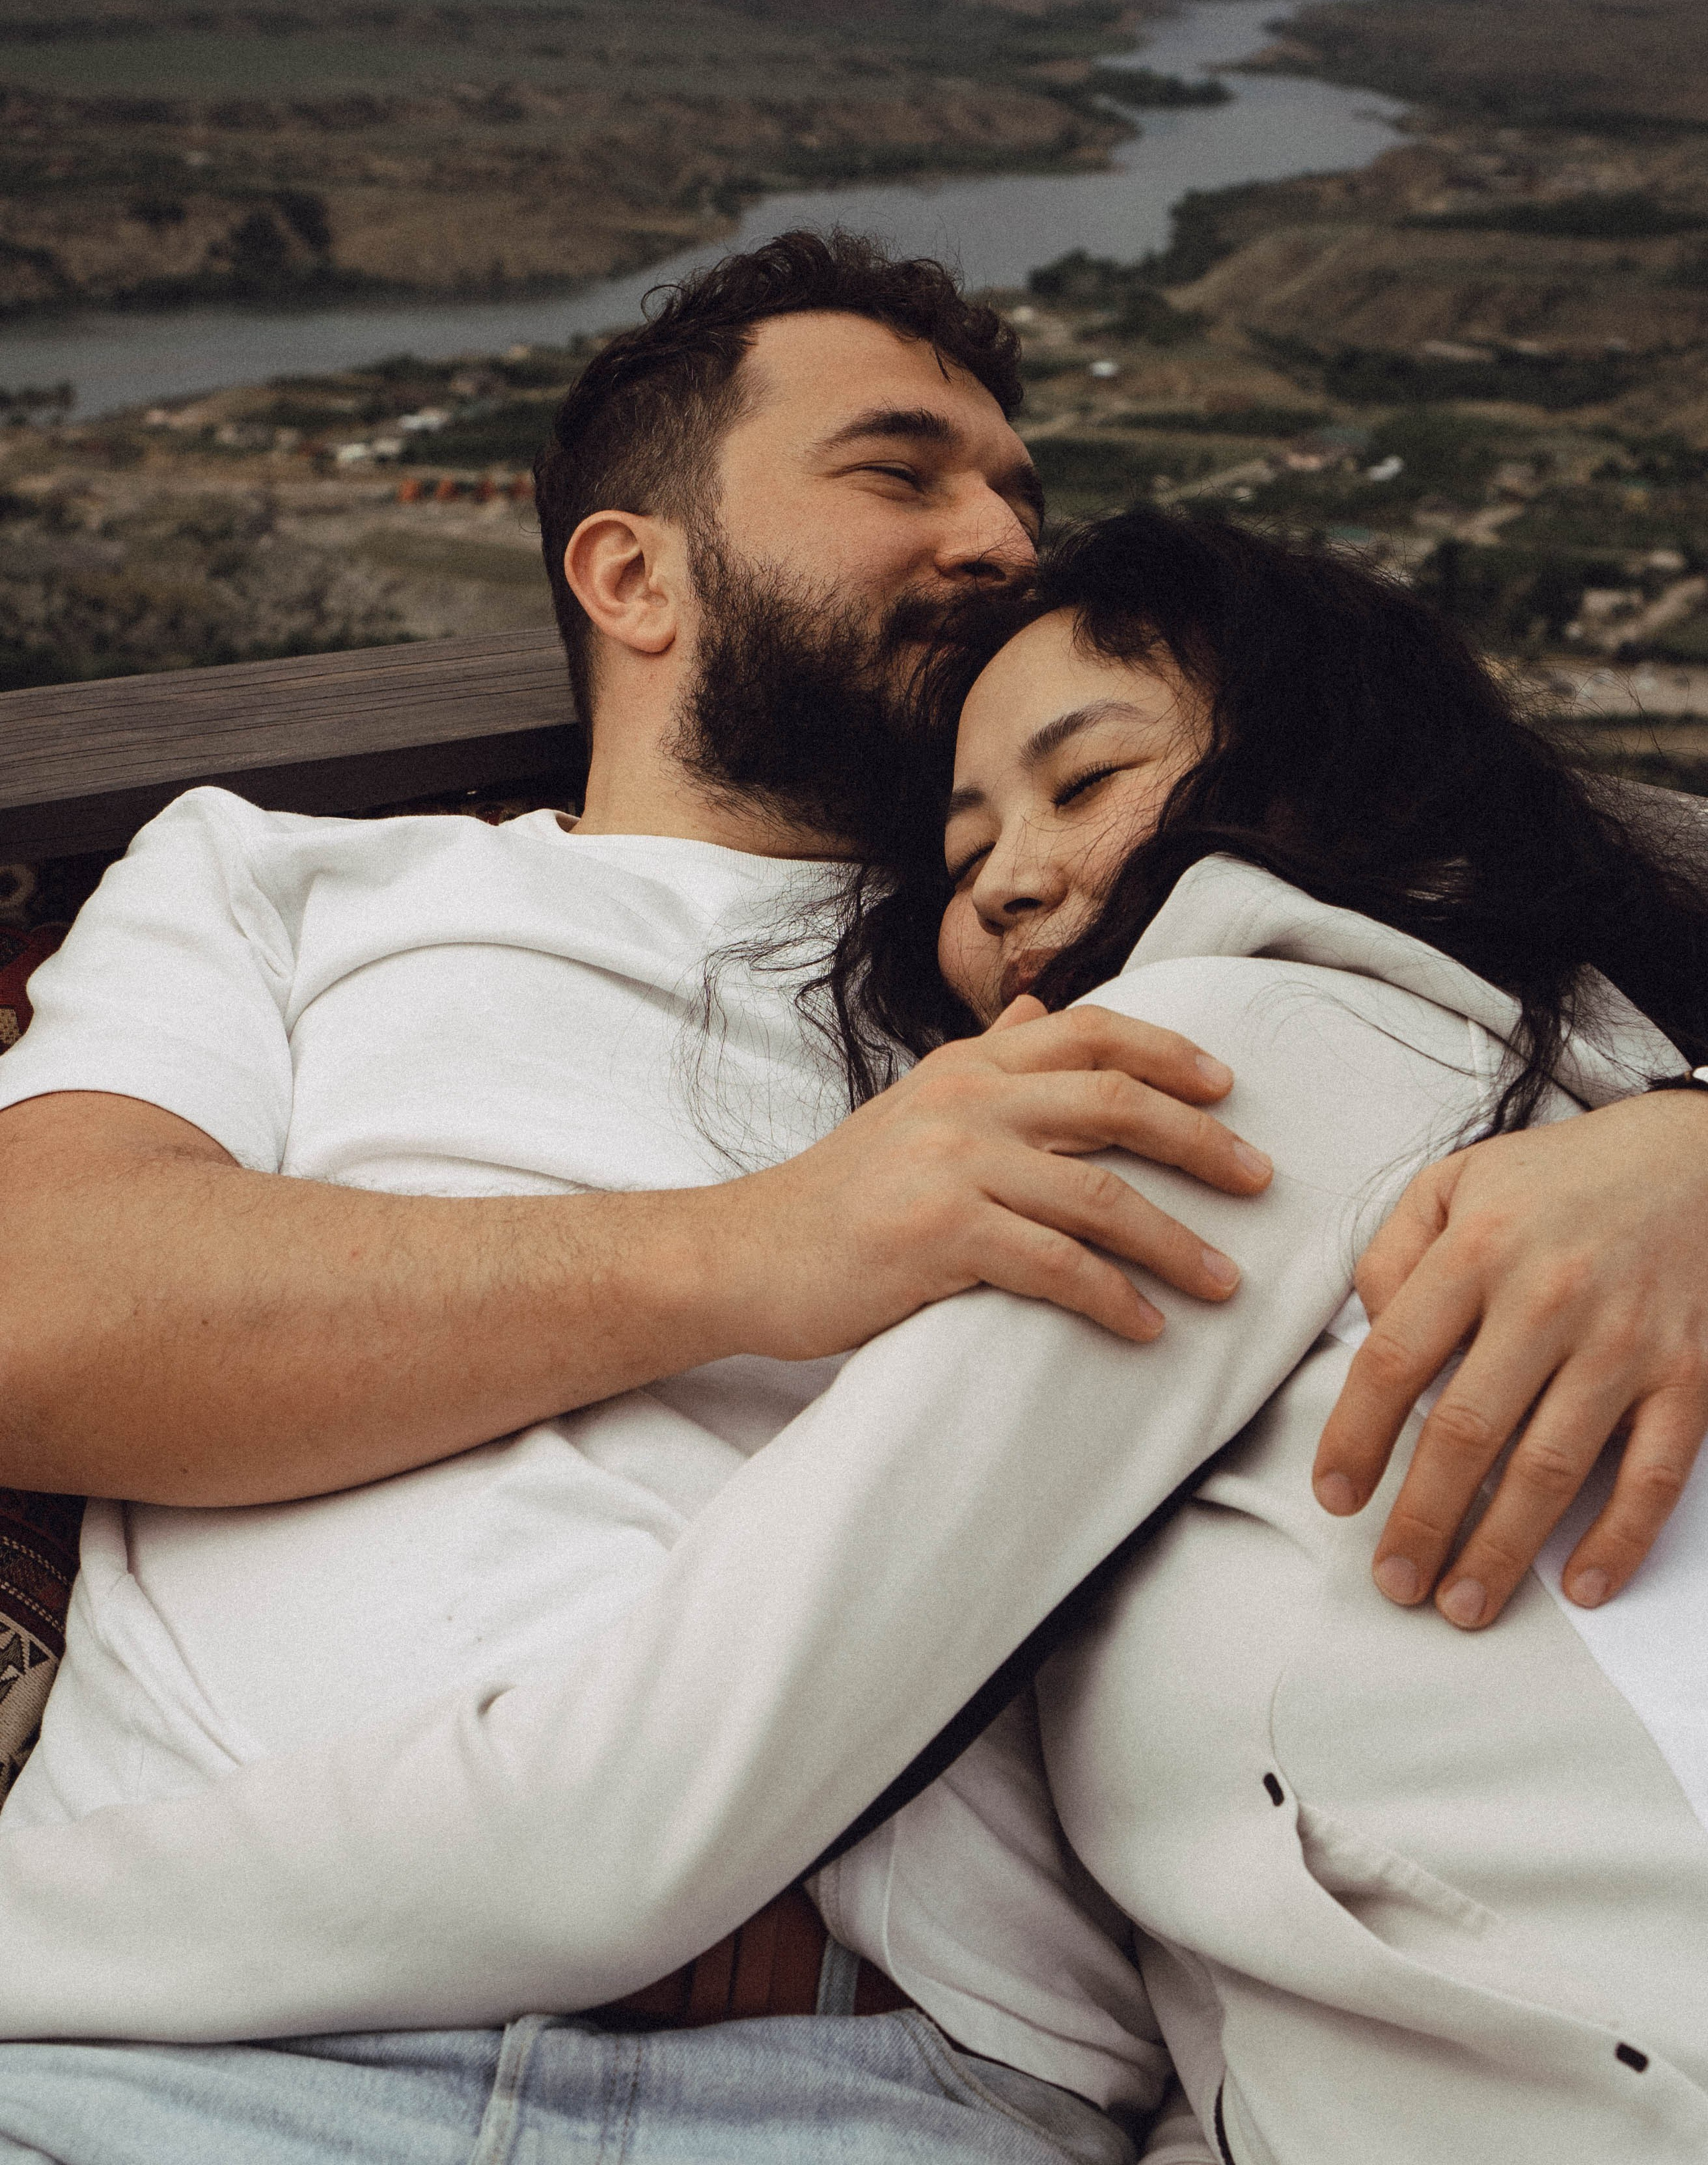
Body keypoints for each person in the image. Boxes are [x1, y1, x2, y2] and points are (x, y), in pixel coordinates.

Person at [0, 237, 1704, 2164]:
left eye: (1020, 495)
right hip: (178, 2036)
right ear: (631, 575)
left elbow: (1472, 973)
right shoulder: (287, 883)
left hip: (909, 2081)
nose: (997, 540)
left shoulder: (1098, 972)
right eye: (899, 473)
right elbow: (38, 1319)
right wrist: (753, 1251)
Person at [855, 505, 1708, 2157]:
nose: (1009, 876)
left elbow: (675, 1776)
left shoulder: (1208, 1056)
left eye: (1084, 783)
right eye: (960, 862)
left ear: (1317, 769)